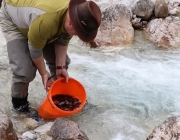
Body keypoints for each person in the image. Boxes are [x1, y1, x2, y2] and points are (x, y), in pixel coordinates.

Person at [0, 0, 101, 113]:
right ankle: (20, 108)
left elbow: (62, 41)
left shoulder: (75, 15)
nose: (77, 35)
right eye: (78, 33)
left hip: (38, 23)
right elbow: (35, 49)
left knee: (62, 63)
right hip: (14, 20)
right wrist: (44, 74)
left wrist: (60, 68)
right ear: (70, 23)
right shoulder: (46, 20)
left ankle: (63, 99)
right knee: (24, 71)